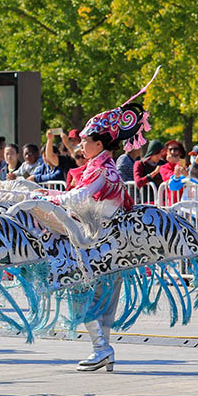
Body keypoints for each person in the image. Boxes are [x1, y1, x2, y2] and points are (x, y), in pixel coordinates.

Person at [31, 98, 151, 373]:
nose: (80, 145)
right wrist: (48, 195)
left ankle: (101, 349)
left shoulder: (102, 170)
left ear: (99, 144)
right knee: (97, 301)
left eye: (85, 141)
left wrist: (41, 197)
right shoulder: (97, 168)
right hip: (103, 243)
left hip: (100, 246)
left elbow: (78, 198)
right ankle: (102, 350)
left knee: (83, 297)